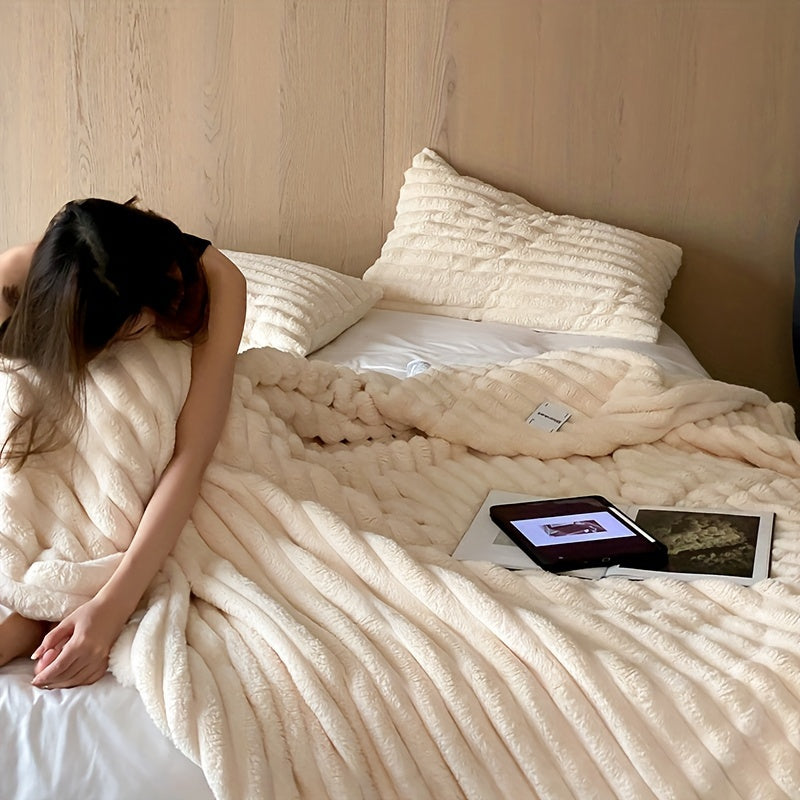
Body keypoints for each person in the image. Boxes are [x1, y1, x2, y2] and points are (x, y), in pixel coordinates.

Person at [0, 197, 246, 688]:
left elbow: (190, 455)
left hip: (149, 419)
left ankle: (46, 601)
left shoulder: (215, 281)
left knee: (127, 406)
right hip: (44, 413)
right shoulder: (18, 276)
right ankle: (34, 599)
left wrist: (112, 609)